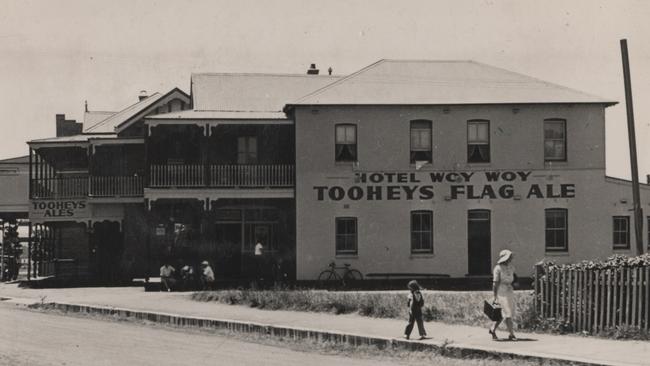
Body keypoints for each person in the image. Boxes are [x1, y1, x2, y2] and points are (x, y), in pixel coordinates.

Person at [489, 249, 517, 341]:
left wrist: (514, 284)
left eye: (510, 257)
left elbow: (514, 279)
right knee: (507, 313)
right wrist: (495, 296)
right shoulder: (497, 268)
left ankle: (493, 329)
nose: (510, 259)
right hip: (501, 292)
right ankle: (511, 334)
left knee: (506, 313)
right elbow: (495, 283)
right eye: (508, 257)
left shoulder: (511, 267)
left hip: (509, 291)